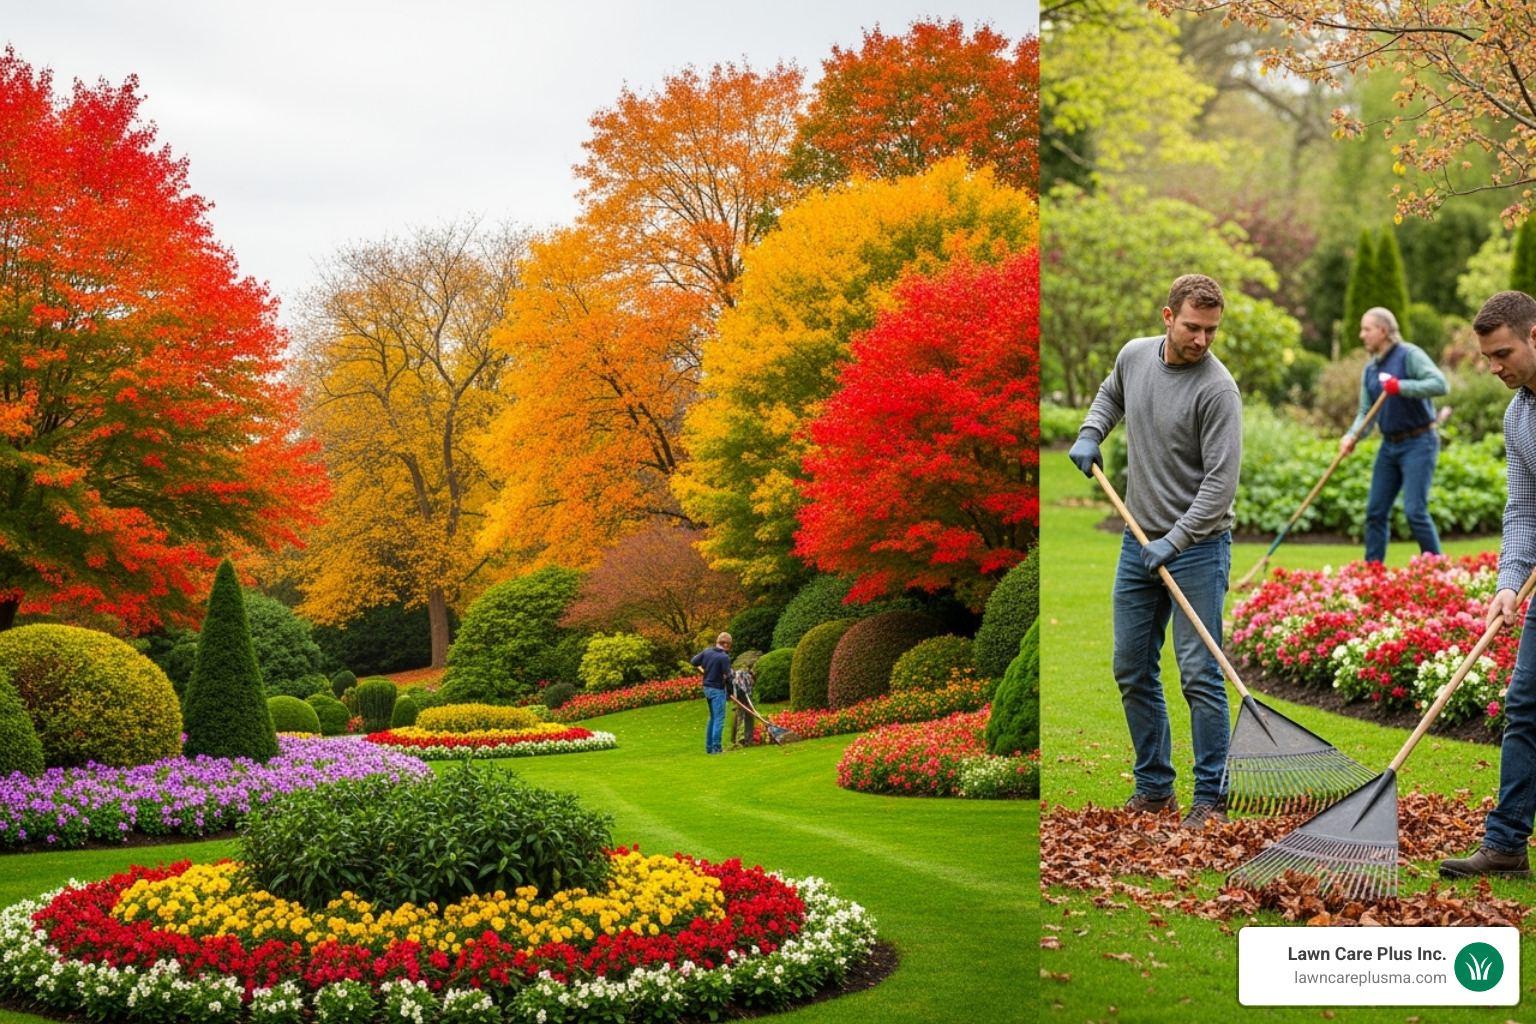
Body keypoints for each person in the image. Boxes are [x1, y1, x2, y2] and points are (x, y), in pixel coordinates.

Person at [1067, 273, 1243, 829]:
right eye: (1193, 327)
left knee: (1199, 674)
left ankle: (1210, 799)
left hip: (1197, 548)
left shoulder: (1218, 390)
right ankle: (1153, 789)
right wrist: (1093, 430)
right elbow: (1110, 394)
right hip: (1136, 539)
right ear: (1167, 317)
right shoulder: (1135, 356)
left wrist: (1178, 539)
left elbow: (1220, 485)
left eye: (1212, 330)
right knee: (1131, 667)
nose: (1202, 340)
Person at [1441, 290, 1536, 879]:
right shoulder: (1518, 416)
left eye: (1503, 353)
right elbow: (1523, 513)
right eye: (1487, 357)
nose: (1494, 366)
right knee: (1525, 706)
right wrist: (1509, 582)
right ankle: (1505, 844)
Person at [1340, 307, 1449, 563]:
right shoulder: (1369, 370)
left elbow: (1440, 384)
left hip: (1419, 441)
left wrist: (1400, 386)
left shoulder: (1409, 355)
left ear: (1383, 331)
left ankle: (1436, 568)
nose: (1361, 335)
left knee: (1414, 511)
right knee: (1375, 511)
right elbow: (1366, 412)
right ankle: (1373, 573)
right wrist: (1351, 436)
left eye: (1366, 329)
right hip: (1389, 446)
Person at [690, 632, 733, 755]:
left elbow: (693, 662)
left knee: (713, 717)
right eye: (729, 646)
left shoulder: (707, 652)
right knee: (719, 718)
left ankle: (709, 748)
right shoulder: (724, 657)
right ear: (726, 645)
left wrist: (706, 669)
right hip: (717, 689)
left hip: (707, 687)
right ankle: (716, 748)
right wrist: (730, 692)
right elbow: (729, 677)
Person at [728, 662, 758, 748]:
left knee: (744, 716)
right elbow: (743, 692)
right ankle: (742, 740)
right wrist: (748, 704)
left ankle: (743, 739)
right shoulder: (746, 679)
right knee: (742, 717)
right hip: (740, 699)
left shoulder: (741, 675)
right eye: (753, 682)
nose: (752, 684)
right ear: (752, 678)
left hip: (738, 698)